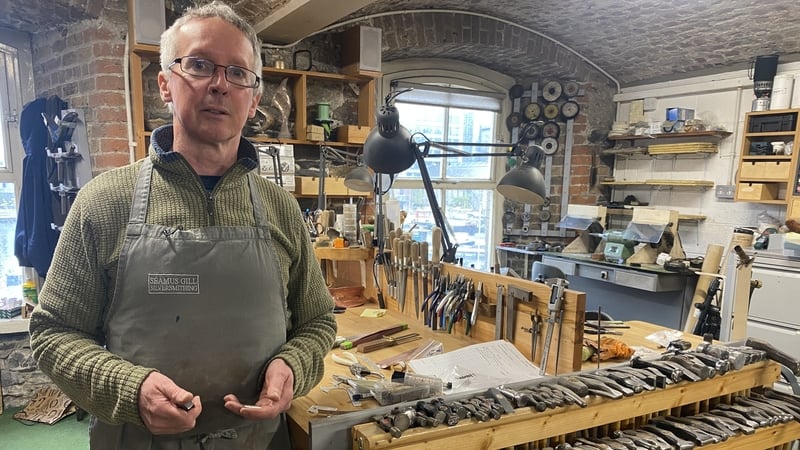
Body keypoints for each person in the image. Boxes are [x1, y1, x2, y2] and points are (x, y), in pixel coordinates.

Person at [28, 2, 337, 448]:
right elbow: (53, 332)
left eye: (238, 73)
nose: (219, 84)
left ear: (254, 99)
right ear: (165, 85)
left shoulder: (281, 209)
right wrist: (131, 391)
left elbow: (318, 321)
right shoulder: (104, 202)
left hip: (258, 440)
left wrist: (293, 364)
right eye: (199, 65)